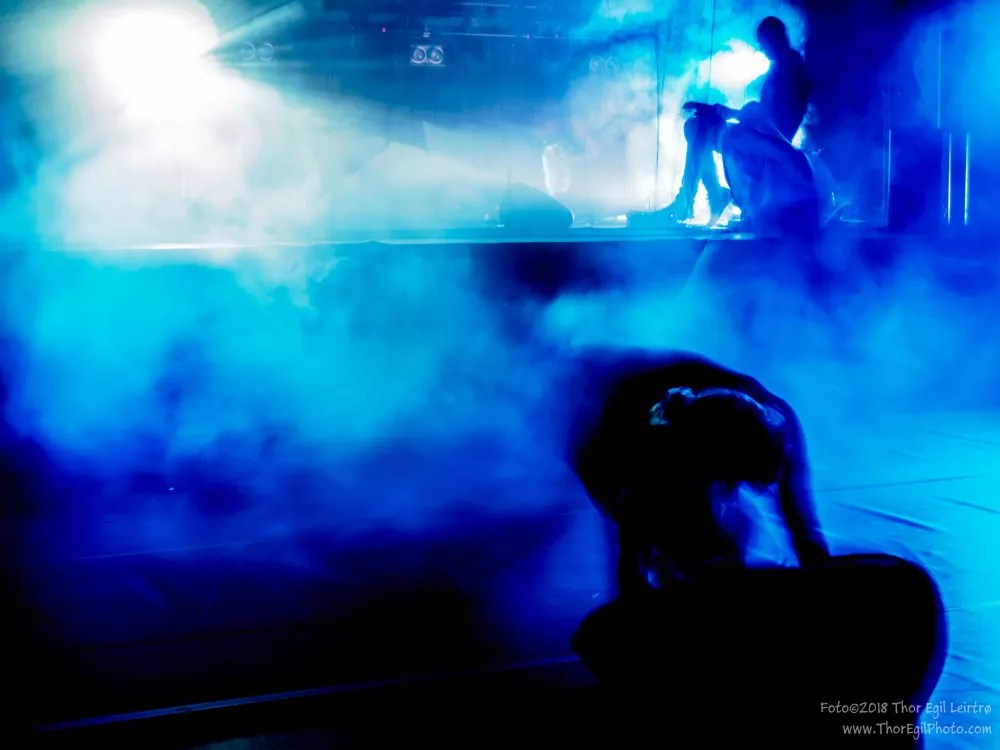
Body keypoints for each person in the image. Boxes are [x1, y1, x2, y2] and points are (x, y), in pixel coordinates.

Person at [567, 350, 946, 746]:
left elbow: (802, 527)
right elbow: (631, 563)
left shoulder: (777, 423)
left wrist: (812, 597)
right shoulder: (649, 464)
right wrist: (649, 628)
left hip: (692, 430)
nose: (761, 488)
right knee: (686, 559)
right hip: (619, 428)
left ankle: (707, 620)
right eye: (750, 476)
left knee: (716, 568)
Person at [632, 17, 812, 228]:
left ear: (773, 38)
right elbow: (763, 113)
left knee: (703, 128)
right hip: (761, 137)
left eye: (763, 43)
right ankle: (710, 194)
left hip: (772, 144)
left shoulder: (790, 66)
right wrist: (723, 112)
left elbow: (772, 117)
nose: (762, 49)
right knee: (695, 127)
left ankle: (689, 201)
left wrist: (731, 113)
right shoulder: (783, 65)